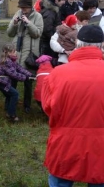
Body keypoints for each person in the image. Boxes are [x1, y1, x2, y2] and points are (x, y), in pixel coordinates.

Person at [41, 24, 104, 187]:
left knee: (60, 181)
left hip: (64, 144)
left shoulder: (57, 74)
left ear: (78, 43)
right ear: (102, 45)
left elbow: (48, 107)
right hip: (101, 148)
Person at [7, 0, 43, 114]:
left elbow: (37, 34)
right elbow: (10, 33)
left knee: (28, 81)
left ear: (30, 7)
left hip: (29, 53)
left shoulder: (38, 16)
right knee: (13, 79)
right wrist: (14, 24)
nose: (23, 10)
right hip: (16, 52)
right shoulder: (17, 14)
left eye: (25, 8)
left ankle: (27, 105)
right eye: (21, 8)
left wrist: (28, 23)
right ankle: (10, 103)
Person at [0, 43, 33, 122]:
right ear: (9, 53)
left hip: (4, 81)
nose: (16, 52)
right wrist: (25, 78)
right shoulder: (7, 62)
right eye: (14, 51)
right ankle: (11, 114)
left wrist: (30, 74)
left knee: (9, 94)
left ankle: (8, 110)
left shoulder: (12, 60)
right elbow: (14, 74)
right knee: (14, 94)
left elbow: (19, 68)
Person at [39, 0, 68, 64]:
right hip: (48, 43)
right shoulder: (50, 12)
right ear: (56, 0)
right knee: (49, 62)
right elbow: (47, 29)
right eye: (63, 0)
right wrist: (56, 39)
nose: (64, 2)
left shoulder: (54, 9)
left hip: (50, 41)